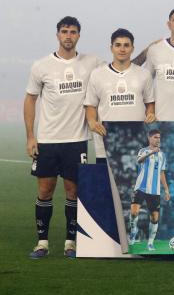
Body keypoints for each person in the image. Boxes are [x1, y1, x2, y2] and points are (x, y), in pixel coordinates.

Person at [24, 16, 102, 258]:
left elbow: (119, 68)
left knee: (72, 192)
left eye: (73, 32)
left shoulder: (92, 62)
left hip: (76, 140)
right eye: (65, 31)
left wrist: (146, 52)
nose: (69, 36)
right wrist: (30, 136)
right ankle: (42, 243)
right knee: (45, 190)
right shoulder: (41, 66)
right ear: (57, 34)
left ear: (79, 35)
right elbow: (30, 99)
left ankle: (70, 243)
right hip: (47, 140)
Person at [84, 28, 156, 164]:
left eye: (126, 45)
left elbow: (149, 103)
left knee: (135, 184)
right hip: (107, 143)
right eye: (118, 45)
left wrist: (151, 114)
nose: (122, 49)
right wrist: (92, 122)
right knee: (106, 185)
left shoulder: (144, 74)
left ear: (132, 48)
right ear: (111, 48)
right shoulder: (97, 74)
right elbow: (90, 105)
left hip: (137, 143)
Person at [128, 129, 170, 250]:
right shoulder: (143, 151)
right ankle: (133, 232)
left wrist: (166, 190)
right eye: (156, 137)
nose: (158, 140)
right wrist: (151, 153)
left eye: (159, 137)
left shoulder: (162, 155)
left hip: (154, 190)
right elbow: (139, 160)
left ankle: (150, 243)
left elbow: (162, 173)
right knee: (134, 212)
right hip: (140, 187)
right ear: (150, 138)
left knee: (154, 218)